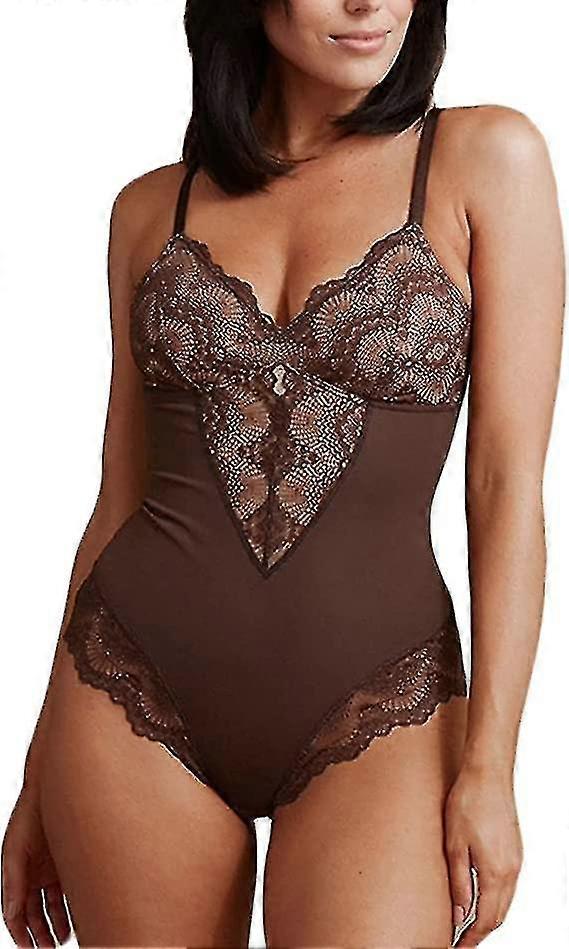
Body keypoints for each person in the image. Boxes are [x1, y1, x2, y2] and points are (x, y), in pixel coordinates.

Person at [2, 1, 564, 947]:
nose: (369, 2)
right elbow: (119, 494)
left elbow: (504, 486)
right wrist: (36, 775)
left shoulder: (481, 160)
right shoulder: (150, 209)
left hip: (382, 699)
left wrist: (492, 767)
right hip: (128, 688)